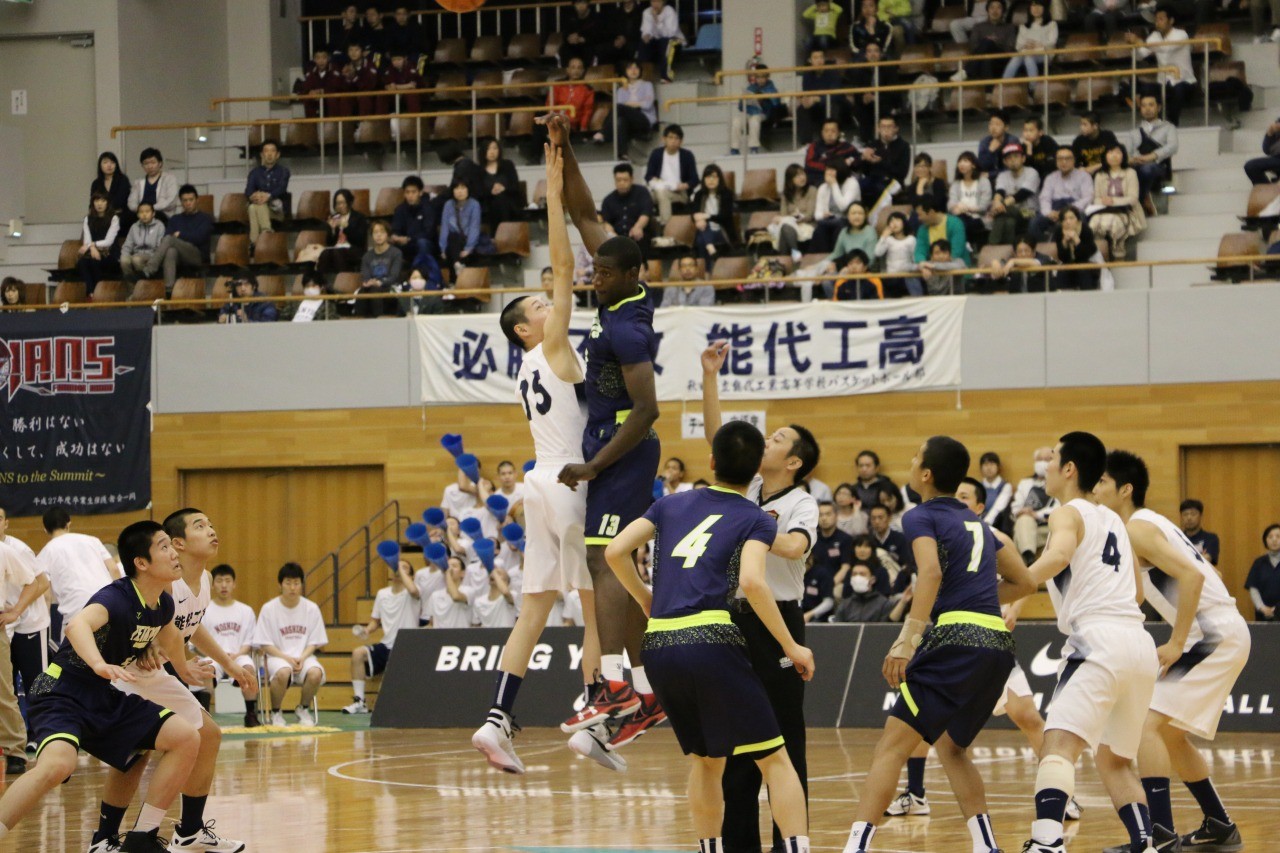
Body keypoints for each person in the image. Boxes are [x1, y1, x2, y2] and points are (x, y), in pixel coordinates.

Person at [604, 420, 814, 853]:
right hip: (712, 638)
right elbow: (754, 583)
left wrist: (645, 597)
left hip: (659, 643)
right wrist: (792, 646)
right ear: (755, 466)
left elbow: (613, 551)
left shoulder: (670, 503)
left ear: (712, 462)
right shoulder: (753, 516)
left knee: (705, 761)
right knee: (776, 757)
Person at [473, 146, 607, 772]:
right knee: (595, 600)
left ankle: (497, 719)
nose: (547, 305)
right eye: (536, 307)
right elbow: (562, 265)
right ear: (526, 330)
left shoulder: (531, 365)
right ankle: (594, 717)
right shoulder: (550, 347)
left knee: (535, 606)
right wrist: (553, 198)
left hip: (538, 483)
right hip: (568, 481)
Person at [539, 115, 669, 757]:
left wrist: (593, 469)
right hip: (610, 452)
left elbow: (647, 409)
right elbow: (586, 209)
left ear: (627, 275)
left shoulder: (627, 329)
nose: (593, 275)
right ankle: (636, 687)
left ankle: (619, 685)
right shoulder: (614, 286)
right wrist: (563, 146)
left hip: (623, 450)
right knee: (603, 560)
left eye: (601, 274)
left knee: (609, 561)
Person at [841, 436, 1035, 853]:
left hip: (957, 639)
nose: (911, 462)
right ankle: (987, 847)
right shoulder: (980, 524)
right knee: (951, 748)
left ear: (925, 474)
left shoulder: (920, 516)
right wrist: (973, 595)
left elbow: (928, 573)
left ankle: (854, 848)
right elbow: (1026, 582)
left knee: (890, 748)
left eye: (915, 457)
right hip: (997, 643)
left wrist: (906, 642)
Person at [0, 521, 202, 853]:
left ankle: (135, 838)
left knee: (182, 737)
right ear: (141, 562)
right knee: (57, 765)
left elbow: (170, 636)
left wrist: (184, 666)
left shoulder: (162, 604)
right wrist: (97, 663)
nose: (174, 553)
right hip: (61, 690)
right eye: (164, 546)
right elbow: (78, 625)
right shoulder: (116, 596)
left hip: (103, 695)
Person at [1018, 431, 1168, 853]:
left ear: (1069, 469)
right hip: (1136, 643)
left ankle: (1047, 842)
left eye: (1051, 460)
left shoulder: (1066, 513)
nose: (1045, 467)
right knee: (1114, 759)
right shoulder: (1115, 521)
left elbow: (1059, 555)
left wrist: (1014, 583)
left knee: (1059, 746)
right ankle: (1145, 844)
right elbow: (1136, 591)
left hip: (1098, 640)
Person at [698, 346, 821, 853]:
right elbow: (717, 440)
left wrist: (756, 528)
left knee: (785, 743)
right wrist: (710, 379)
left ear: (792, 461)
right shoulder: (743, 488)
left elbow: (794, 547)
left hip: (780, 621)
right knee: (736, 746)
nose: (764, 442)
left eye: (776, 440)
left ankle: (789, 843)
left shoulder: (801, 502)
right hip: (733, 621)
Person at [1094, 451, 1249, 852]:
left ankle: (1160, 835)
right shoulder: (1153, 524)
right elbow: (1207, 572)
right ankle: (1218, 823)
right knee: (1171, 737)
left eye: (1102, 484)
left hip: (1212, 634)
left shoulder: (1138, 529)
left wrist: (1179, 641)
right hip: (1222, 629)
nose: (1095, 492)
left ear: (1124, 489)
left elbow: (1195, 575)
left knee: (1148, 726)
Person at [101, 508, 252, 853]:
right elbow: (157, 621)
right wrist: (169, 657)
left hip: (153, 674)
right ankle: (106, 838)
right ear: (178, 543)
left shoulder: (204, 581)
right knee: (133, 757)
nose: (212, 530)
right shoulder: (168, 581)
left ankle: (190, 831)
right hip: (126, 674)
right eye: (201, 526)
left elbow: (192, 625)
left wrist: (228, 662)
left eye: (211, 523)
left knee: (208, 735)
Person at [954, 478, 1085, 824]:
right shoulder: (940, 539)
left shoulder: (998, 540)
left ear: (981, 508)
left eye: (964, 497)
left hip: (992, 642)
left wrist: (1015, 607)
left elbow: (1025, 578)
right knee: (926, 722)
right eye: (954, 496)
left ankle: (1062, 796)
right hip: (952, 643)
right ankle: (917, 793)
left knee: (1028, 717)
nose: (957, 502)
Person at [253, 563, 328, 728]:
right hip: (276, 657)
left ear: (301, 584)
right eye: (288, 583)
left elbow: (314, 641)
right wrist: (287, 658)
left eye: (296, 583)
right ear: (280, 585)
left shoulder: (312, 608)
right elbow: (264, 644)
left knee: (316, 673)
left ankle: (303, 708)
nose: (292, 588)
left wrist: (301, 657)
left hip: (304, 656)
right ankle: (276, 712)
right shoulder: (269, 609)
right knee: (283, 672)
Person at [343, 558, 420, 714]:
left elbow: (413, 590)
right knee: (358, 654)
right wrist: (367, 631)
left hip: (407, 646)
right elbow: (375, 621)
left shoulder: (413, 592)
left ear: (411, 576)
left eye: (405, 568)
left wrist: (399, 565)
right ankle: (360, 702)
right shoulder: (382, 594)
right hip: (386, 645)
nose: (398, 570)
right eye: (396, 567)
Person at [37, 507, 119, 624]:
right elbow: (114, 569)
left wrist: (44, 621)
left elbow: (46, 595)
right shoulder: (93, 540)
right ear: (68, 524)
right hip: (108, 604)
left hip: (76, 611)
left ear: (45, 529)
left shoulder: (44, 554)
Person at [202, 564, 261, 727]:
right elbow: (197, 643)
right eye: (219, 581)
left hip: (239, 655)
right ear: (212, 585)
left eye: (228, 581)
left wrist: (235, 656)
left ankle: (250, 714)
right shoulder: (204, 609)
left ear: (234, 584)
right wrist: (219, 656)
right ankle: (206, 717)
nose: (224, 585)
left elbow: (250, 641)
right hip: (213, 656)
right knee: (206, 670)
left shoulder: (245, 611)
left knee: (249, 669)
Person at [1124, 5, 1196, 126]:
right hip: (1163, 82)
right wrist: (1134, 46)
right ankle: (1151, 124)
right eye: (1156, 19)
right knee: (1145, 90)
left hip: (1184, 81)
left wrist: (1140, 42)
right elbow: (1141, 55)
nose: (1157, 22)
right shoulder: (1154, 36)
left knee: (1178, 91)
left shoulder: (1181, 34)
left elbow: (1166, 48)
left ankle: (1172, 126)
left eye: (1161, 19)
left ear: (1171, 21)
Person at [145, 185, 214, 293]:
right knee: (170, 250)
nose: (188, 203)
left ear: (197, 200)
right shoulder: (175, 219)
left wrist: (180, 235)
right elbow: (166, 237)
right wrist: (182, 237)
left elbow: (199, 238)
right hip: (178, 255)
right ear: (181, 202)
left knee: (170, 240)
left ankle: (150, 268)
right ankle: (169, 289)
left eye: (191, 200)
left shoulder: (205, 218)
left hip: (198, 255)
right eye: (185, 200)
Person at [1090, 143, 1146, 260]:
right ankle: (1100, 256)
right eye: (1110, 153)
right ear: (1105, 156)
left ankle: (1118, 254)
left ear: (1123, 156)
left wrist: (1112, 200)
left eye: (1117, 152)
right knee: (1093, 224)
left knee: (1115, 224)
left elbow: (1133, 198)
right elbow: (1096, 199)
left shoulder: (1130, 173)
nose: (1113, 156)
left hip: (1126, 211)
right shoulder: (1100, 175)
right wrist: (1103, 201)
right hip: (1103, 211)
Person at [1028, 147, 1095, 244]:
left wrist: (1064, 212)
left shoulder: (1084, 176)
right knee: (1034, 222)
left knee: (1079, 218)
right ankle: (1045, 249)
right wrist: (1048, 213)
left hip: (1074, 208)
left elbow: (1088, 197)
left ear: (1074, 160)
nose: (1064, 162)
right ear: (1056, 161)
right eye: (1060, 159)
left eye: (1067, 158)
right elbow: (1044, 198)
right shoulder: (1050, 177)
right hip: (1053, 208)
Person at [1124, 94, 1179, 206]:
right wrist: (1134, 159)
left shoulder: (1168, 127)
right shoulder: (1133, 132)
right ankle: (1143, 199)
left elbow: (1173, 146)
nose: (1147, 109)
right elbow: (1127, 153)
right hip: (1137, 165)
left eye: (1151, 105)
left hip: (1159, 166)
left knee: (1147, 169)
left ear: (1158, 107)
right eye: (1144, 106)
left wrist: (1152, 156)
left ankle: (1139, 201)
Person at [644, 124, 698, 227]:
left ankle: (666, 227)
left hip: (679, 192)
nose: (673, 141)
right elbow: (648, 176)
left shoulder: (687, 155)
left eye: (677, 138)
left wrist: (684, 185)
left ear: (681, 141)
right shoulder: (656, 154)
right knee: (644, 196)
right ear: (664, 139)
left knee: (662, 194)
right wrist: (654, 180)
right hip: (659, 189)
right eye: (670, 137)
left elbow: (695, 179)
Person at [808, 502, 853, 623]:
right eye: (820, 515)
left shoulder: (845, 539)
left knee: (837, 592)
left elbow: (845, 567)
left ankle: (837, 621)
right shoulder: (812, 539)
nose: (824, 518)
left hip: (836, 582)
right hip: (813, 581)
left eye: (828, 514)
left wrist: (829, 584)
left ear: (836, 515)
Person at [1011, 447, 1058, 563]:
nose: (1042, 463)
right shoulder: (1025, 483)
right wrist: (1024, 512)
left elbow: (1059, 508)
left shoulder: (1059, 483)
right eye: (1039, 459)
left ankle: (1027, 557)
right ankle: (1029, 557)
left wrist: (1035, 514)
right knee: (1024, 520)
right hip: (1026, 524)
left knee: (1019, 537)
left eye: (1047, 459)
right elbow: (1015, 507)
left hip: (1047, 526)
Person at [990, 143, 1041, 246]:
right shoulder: (1002, 175)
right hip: (1010, 213)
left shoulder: (1032, 172)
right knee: (1009, 222)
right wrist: (996, 202)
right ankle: (1005, 248)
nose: (1013, 160)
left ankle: (991, 246)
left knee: (1002, 212)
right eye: (1008, 158)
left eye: (1016, 156)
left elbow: (1021, 195)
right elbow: (999, 192)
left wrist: (1000, 206)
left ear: (1023, 158)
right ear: (1004, 162)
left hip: (1031, 212)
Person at [353, 220, 403, 319]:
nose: (378, 235)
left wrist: (380, 283)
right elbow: (366, 276)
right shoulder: (367, 256)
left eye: (382, 232)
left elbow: (394, 276)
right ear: (372, 236)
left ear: (387, 234)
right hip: (372, 287)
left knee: (375, 289)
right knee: (362, 292)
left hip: (390, 287)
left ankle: (378, 319)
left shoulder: (396, 253)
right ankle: (358, 321)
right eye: (375, 232)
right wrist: (368, 282)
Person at [769, 165, 818, 264]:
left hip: (807, 225)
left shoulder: (812, 190)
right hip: (790, 226)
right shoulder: (786, 194)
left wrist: (791, 218)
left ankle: (782, 265)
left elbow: (809, 215)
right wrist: (790, 218)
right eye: (797, 176)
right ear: (790, 180)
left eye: (802, 174)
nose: (802, 178)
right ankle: (795, 252)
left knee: (785, 228)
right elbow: (783, 214)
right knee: (785, 227)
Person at [607, 61, 657, 158]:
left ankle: (603, 133)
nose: (633, 70)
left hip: (644, 119)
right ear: (625, 71)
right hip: (628, 121)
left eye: (636, 68)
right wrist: (637, 104)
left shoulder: (647, 85)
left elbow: (647, 105)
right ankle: (623, 154)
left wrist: (628, 105)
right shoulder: (621, 90)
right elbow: (620, 108)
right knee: (620, 121)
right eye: (630, 68)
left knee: (619, 108)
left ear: (640, 71)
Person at [244, 139, 291, 243]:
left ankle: (254, 243)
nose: (269, 154)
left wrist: (268, 196)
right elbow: (248, 191)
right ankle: (266, 235)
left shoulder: (284, 171)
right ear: (261, 155)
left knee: (254, 207)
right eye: (266, 151)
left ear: (277, 155)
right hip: (259, 206)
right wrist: (254, 196)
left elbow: (281, 188)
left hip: (276, 210)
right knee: (253, 207)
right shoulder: (254, 173)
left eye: (272, 151)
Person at [857, 116, 912, 204]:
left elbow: (902, 173)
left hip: (894, 182)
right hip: (874, 179)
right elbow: (866, 172)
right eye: (883, 126)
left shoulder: (904, 146)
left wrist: (881, 162)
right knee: (856, 186)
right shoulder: (872, 144)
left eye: (889, 127)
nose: (886, 130)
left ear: (896, 129)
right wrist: (864, 159)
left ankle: (877, 216)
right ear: (878, 129)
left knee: (879, 189)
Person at [601, 163, 655, 249]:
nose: (622, 183)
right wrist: (612, 235)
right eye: (618, 180)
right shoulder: (608, 200)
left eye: (625, 180)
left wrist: (638, 227)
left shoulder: (642, 193)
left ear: (631, 179)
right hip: (618, 238)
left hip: (638, 235)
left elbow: (646, 213)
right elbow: (606, 223)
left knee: (640, 238)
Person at [316, 188, 369, 276]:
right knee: (325, 253)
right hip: (336, 248)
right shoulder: (334, 217)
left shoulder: (359, 218)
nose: (340, 206)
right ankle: (322, 284)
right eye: (338, 203)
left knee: (338, 253)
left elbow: (359, 240)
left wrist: (346, 226)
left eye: (343, 203)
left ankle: (343, 281)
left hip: (354, 249)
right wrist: (332, 229)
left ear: (349, 202)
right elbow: (329, 243)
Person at [77, 192, 121, 294]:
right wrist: (92, 247)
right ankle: (90, 293)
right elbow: (87, 239)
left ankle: (98, 292)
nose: (99, 204)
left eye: (103, 201)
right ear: (93, 203)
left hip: (109, 252)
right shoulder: (87, 219)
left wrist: (92, 245)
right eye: (96, 201)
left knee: (94, 261)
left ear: (107, 203)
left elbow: (109, 241)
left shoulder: (114, 218)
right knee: (82, 262)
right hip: (93, 251)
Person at [731, 66, 781, 155]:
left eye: (763, 77)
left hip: (762, 113)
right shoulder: (751, 87)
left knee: (754, 121)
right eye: (758, 77)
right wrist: (744, 100)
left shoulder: (771, 87)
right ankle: (735, 148)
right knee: (736, 121)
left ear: (767, 77)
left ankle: (753, 148)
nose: (760, 80)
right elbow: (740, 107)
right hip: (749, 112)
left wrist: (764, 96)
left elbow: (776, 103)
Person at [390, 175, 437, 272]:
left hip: (425, 244)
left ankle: (421, 274)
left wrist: (409, 239)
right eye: (407, 192)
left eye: (413, 192)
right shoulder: (400, 210)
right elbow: (396, 229)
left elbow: (429, 232)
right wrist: (396, 237)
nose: (410, 195)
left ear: (420, 192)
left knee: (422, 243)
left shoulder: (428, 208)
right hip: (406, 244)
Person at [439, 179, 486, 272]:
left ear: (468, 189)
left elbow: (474, 228)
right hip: (453, 242)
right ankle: (457, 264)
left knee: (452, 247)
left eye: (463, 188)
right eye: (456, 188)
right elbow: (444, 228)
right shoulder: (448, 204)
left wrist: (468, 248)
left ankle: (455, 274)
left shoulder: (474, 204)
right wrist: (443, 249)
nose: (459, 191)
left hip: (468, 241)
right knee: (453, 237)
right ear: (452, 190)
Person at [691, 164, 739, 254]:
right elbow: (694, 214)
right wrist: (698, 220)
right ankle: (710, 247)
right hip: (704, 228)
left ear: (719, 179)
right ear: (703, 180)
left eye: (714, 177)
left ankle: (708, 257)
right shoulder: (699, 195)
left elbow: (725, 217)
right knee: (702, 231)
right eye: (708, 177)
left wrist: (706, 216)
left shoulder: (726, 194)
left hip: (722, 230)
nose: (711, 180)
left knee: (701, 239)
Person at [948, 152, 992, 250]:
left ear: (973, 165)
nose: (961, 164)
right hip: (960, 216)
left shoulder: (983, 181)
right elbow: (951, 203)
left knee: (960, 222)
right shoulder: (956, 183)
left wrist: (966, 208)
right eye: (959, 161)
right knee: (956, 220)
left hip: (979, 218)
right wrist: (956, 209)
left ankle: (963, 247)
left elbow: (984, 207)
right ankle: (964, 247)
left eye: (965, 161)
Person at [479, 138, 523, 233]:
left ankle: (503, 236)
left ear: (499, 150)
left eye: (495, 148)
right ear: (483, 151)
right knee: (496, 202)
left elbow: (515, 186)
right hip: (489, 205)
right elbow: (478, 192)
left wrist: (504, 188)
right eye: (488, 149)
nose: (492, 152)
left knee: (501, 199)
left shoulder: (508, 165)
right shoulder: (479, 170)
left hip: (508, 202)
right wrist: (491, 192)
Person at [1004, 0, 1057, 80]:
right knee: (1016, 58)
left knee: (1028, 57)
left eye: (1039, 5)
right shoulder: (1024, 27)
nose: (1036, 8)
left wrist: (1037, 44)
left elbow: (1052, 41)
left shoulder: (1051, 24)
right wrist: (1026, 45)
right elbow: (1018, 46)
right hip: (1026, 52)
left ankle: (1033, 88)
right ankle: (1004, 85)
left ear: (1044, 8)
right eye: (1033, 6)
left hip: (1044, 53)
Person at [913, 199, 971, 270]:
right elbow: (919, 252)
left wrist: (935, 265)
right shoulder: (922, 229)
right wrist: (923, 264)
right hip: (933, 274)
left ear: (931, 212)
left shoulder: (955, 224)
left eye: (920, 215)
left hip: (956, 271)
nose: (919, 218)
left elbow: (956, 252)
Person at [968, 0, 1017, 81]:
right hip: (982, 62)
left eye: (999, 8)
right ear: (987, 10)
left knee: (988, 42)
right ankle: (989, 92)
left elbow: (1009, 48)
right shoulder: (978, 27)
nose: (995, 11)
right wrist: (988, 43)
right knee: (987, 58)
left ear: (1003, 11)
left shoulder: (1010, 28)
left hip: (1001, 62)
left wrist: (993, 44)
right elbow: (973, 47)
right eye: (992, 7)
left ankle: (966, 71)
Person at [1053, 206, 1101, 290]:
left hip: (1090, 260)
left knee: (1083, 271)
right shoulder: (1058, 231)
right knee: (1062, 272)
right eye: (1064, 219)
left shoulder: (1086, 230)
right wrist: (1064, 242)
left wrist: (1076, 239)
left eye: (1071, 218)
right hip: (1070, 263)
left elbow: (1084, 256)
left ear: (1078, 220)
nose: (1068, 222)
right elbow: (1062, 258)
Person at [118, 201, 166, 283]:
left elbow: (160, 247)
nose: (144, 215)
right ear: (137, 215)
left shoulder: (159, 226)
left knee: (137, 259)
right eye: (141, 212)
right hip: (136, 254)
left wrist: (153, 257)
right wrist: (124, 255)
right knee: (124, 260)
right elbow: (127, 245)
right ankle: (132, 288)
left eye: (147, 212)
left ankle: (144, 286)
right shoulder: (134, 227)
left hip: (152, 255)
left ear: (153, 213)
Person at [875, 211, 920, 297]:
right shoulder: (888, 240)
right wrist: (883, 237)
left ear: (904, 222)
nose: (894, 223)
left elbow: (915, 259)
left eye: (897, 220)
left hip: (907, 277)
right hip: (891, 277)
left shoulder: (911, 239)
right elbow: (878, 253)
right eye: (891, 221)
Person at [127, 148, 179, 219]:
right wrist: (141, 210)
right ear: (142, 166)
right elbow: (131, 202)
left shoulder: (169, 179)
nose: (150, 166)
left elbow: (171, 201)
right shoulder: (138, 182)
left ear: (160, 163)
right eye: (146, 163)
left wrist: (150, 209)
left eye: (153, 162)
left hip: (161, 213)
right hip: (141, 214)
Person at [639, 0, 682, 82]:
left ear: (663, 2)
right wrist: (646, 36)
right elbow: (646, 30)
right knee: (643, 44)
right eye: (653, 2)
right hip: (657, 42)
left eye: (658, 1)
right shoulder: (647, 12)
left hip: (674, 42)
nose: (655, 4)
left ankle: (666, 76)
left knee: (665, 42)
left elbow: (669, 33)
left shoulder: (669, 11)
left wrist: (656, 19)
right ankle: (644, 77)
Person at [1246, 524, 1280, 621]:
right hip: (1263, 615)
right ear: (1265, 540)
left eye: (1278, 536)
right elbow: (1253, 588)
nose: (1274, 540)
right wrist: (1261, 607)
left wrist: (1276, 609)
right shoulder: (1259, 562)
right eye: (1270, 536)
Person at [295, 49, 342, 118]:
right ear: (314, 60)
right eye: (318, 58)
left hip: (330, 100)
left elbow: (337, 87)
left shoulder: (334, 70)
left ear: (328, 58)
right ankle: (311, 125)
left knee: (333, 100)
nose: (321, 61)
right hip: (316, 101)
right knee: (308, 99)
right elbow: (306, 87)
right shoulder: (311, 72)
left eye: (324, 58)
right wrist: (310, 92)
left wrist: (322, 91)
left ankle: (332, 124)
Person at [1073, 111, 1121, 176]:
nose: (1081, 128)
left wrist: (1094, 167)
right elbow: (1075, 162)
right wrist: (1081, 168)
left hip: (1107, 170)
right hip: (1087, 174)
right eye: (1081, 124)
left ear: (1095, 126)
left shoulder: (1108, 136)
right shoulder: (1078, 141)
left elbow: (1116, 157)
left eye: (1085, 124)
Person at [91, 151, 132, 222]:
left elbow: (120, 201)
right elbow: (93, 202)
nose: (109, 165)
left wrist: (104, 209)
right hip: (101, 218)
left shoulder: (123, 180)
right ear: (100, 165)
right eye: (105, 162)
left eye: (112, 162)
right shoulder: (96, 183)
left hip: (121, 217)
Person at [1178, 499, 1220, 565]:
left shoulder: (1211, 538)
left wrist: (1182, 559)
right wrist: (1200, 557)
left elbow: (1206, 560)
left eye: (1193, 514)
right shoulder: (1177, 538)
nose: (1189, 518)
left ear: (1201, 516)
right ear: (1181, 517)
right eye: (1185, 514)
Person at [559, 0, 599, 66]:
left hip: (589, 44)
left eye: (583, 2)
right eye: (578, 3)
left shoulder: (596, 17)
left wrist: (584, 39)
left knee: (589, 50)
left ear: (587, 3)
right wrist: (569, 38)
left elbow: (600, 35)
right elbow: (565, 33)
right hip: (574, 45)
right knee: (564, 49)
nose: (580, 6)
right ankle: (569, 72)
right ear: (574, 5)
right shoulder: (570, 17)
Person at [1244, 117, 1280, 185]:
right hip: (1277, 158)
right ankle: (1267, 191)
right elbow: (1267, 150)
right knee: (1251, 166)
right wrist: (1270, 133)